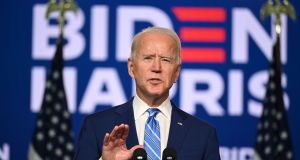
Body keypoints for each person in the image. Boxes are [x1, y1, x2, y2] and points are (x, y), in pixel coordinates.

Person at [74, 27, 221, 160]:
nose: (156, 67)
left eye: (165, 60)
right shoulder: (97, 126)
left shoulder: (202, 135)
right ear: (132, 68)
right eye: (148, 58)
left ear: (176, 73)